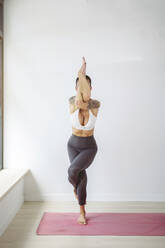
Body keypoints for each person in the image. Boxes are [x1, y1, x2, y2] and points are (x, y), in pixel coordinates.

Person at [67, 57, 101, 225]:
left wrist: (82, 74)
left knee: (73, 170)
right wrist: (81, 75)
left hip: (89, 147)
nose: (81, 90)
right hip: (73, 144)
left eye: (85, 86)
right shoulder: (72, 102)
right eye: (78, 86)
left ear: (91, 88)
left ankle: (76, 193)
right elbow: (80, 99)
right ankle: (82, 210)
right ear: (75, 88)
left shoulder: (95, 105)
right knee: (79, 175)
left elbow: (85, 98)